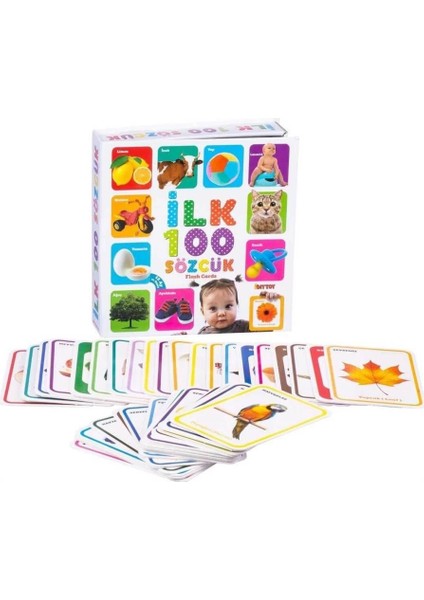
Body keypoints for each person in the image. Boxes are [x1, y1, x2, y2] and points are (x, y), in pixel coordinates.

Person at [198, 278, 279, 334]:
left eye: (228, 306)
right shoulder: (202, 334)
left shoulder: (244, 327)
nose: (221, 313)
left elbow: (266, 332)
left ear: (236, 306)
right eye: (213, 308)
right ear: (203, 312)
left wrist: (267, 304)